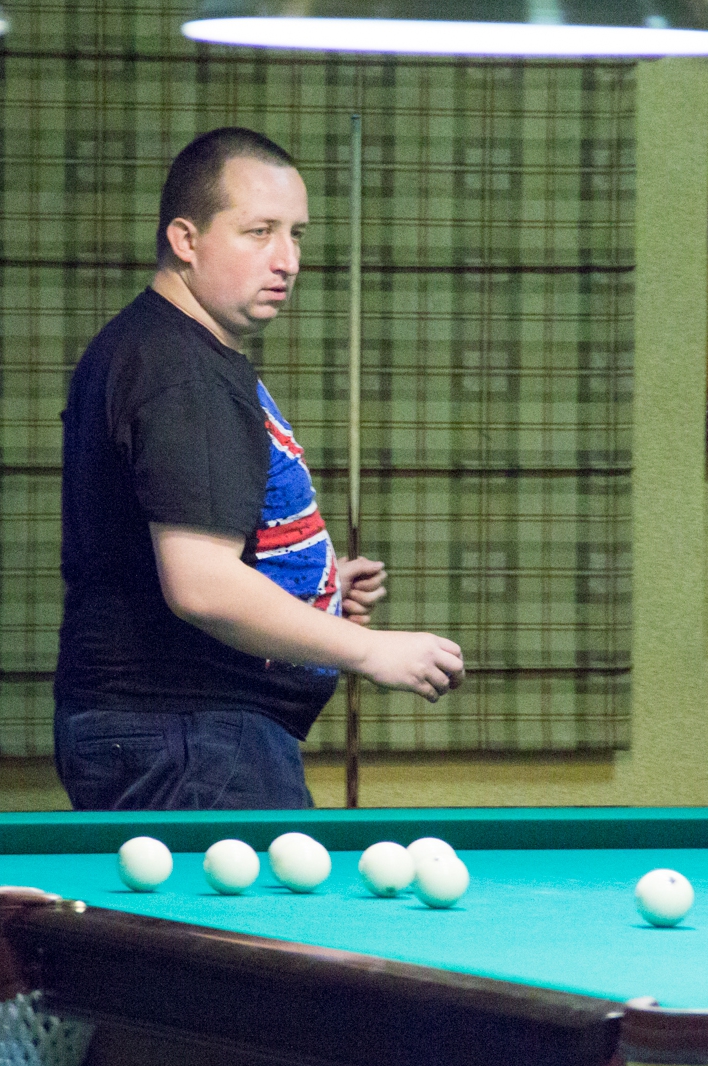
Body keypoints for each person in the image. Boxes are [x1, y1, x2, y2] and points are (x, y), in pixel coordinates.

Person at [54, 127, 465, 811]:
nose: (288, 260)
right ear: (186, 240)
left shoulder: (161, 348)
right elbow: (202, 585)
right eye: (259, 232)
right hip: (192, 735)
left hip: (184, 734)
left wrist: (312, 583)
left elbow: (164, 547)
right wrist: (369, 650)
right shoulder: (180, 371)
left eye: (296, 235)